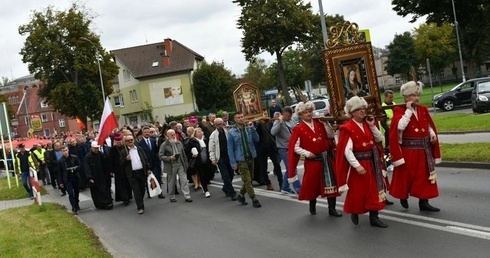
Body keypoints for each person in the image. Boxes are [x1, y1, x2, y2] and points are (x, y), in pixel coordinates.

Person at [336, 96, 388, 228]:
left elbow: (378, 139)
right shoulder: (347, 128)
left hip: (372, 162)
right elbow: (347, 151)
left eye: (364, 109)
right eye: (359, 109)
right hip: (360, 163)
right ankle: (355, 210)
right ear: (352, 112)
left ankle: (374, 217)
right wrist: (357, 166)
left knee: (374, 190)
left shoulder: (368, 123)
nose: (363, 111)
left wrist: (372, 126)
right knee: (358, 191)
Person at [389, 81, 441, 212]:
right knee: (406, 176)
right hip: (409, 151)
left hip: (424, 150)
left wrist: (432, 134)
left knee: (424, 177)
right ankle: (403, 196)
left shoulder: (422, 109)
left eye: (418, 95)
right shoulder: (399, 110)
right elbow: (399, 126)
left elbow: (427, 124)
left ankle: (424, 202)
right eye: (414, 95)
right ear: (406, 97)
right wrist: (408, 111)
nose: (417, 98)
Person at [287, 102, 342, 217]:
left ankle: (332, 209)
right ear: (300, 114)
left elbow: (330, 136)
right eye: (305, 112)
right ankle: (312, 204)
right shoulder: (298, 129)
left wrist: (326, 123)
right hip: (313, 161)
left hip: (326, 158)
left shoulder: (319, 123)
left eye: (310, 111)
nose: (308, 114)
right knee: (312, 185)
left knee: (330, 183)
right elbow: (295, 147)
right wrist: (307, 153)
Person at [227, 112, 262, 208]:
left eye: (242, 117)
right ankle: (254, 199)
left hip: (251, 156)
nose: (241, 119)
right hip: (240, 159)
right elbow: (230, 148)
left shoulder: (248, 129)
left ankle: (241, 195)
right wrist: (233, 163)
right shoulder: (231, 132)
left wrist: (252, 128)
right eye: (238, 117)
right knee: (247, 180)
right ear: (235, 119)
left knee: (249, 179)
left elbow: (257, 139)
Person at [271, 106, 301, 195]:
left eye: (290, 116)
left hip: (292, 147)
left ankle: (285, 187)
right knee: (291, 168)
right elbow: (273, 132)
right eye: (287, 116)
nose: (289, 118)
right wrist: (280, 122)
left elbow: (297, 130)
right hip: (283, 148)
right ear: (283, 114)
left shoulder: (292, 121)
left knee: (290, 168)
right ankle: (299, 188)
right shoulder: (277, 121)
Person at [120, 135, 152, 214]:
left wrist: (148, 169)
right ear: (125, 142)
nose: (130, 141)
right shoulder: (124, 152)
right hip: (132, 174)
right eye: (128, 140)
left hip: (141, 172)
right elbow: (121, 163)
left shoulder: (139, 149)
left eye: (131, 140)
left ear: (134, 140)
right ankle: (140, 207)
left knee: (142, 189)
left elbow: (145, 159)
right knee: (136, 190)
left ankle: (140, 200)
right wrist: (126, 159)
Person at [159, 129, 193, 203]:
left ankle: (187, 196)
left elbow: (183, 154)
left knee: (184, 180)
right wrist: (169, 158)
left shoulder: (179, 143)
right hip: (171, 165)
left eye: (174, 134)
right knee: (172, 182)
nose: (173, 136)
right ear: (167, 136)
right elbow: (160, 156)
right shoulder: (164, 144)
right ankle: (172, 196)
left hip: (180, 164)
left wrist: (186, 164)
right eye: (171, 134)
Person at [209, 118, 237, 201]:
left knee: (231, 174)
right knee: (225, 176)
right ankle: (232, 193)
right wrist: (213, 159)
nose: (221, 126)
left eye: (222, 124)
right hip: (220, 157)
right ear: (215, 125)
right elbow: (211, 148)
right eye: (218, 124)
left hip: (229, 156)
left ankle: (226, 187)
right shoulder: (213, 135)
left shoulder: (228, 132)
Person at [84, 141, 113, 210]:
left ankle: (107, 203)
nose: (96, 150)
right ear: (91, 148)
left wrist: (109, 172)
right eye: (95, 148)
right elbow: (86, 168)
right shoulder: (88, 157)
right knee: (96, 192)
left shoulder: (101, 155)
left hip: (102, 175)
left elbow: (106, 164)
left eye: (97, 148)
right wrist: (89, 177)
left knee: (105, 190)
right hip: (94, 177)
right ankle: (100, 204)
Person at [138, 126, 164, 199]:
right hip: (146, 163)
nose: (147, 133)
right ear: (142, 133)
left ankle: (160, 192)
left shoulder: (153, 140)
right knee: (148, 178)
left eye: (148, 132)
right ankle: (150, 192)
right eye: (145, 132)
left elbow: (156, 150)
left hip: (155, 162)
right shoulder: (140, 143)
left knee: (157, 177)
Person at [380, 90, 396, 205]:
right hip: (387, 132)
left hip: (395, 131)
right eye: (389, 97)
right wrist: (388, 131)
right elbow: (384, 122)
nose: (391, 99)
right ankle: (388, 163)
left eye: (392, 97)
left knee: (393, 149)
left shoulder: (394, 105)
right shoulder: (383, 107)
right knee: (387, 150)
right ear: (385, 97)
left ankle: (391, 161)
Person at [109, 133, 133, 206]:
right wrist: (111, 170)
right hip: (118, 169)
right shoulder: (113, 149)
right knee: (120, 184)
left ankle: (128, 196)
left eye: (120, 141)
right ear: (115, 142)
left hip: (125, 168)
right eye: (117, 142)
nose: (119, 143)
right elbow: (111, 160)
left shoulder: (125, 147)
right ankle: (124, 198)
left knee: (127, 183)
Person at [58, 146, 82, 214]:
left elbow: (80, 165)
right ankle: (74, 207)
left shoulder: (74, 157)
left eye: (66, 150)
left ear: (68, 150)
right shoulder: (60, 161)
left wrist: (75, 168)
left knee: (76, 192)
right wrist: (60, 182)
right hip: (67, 179)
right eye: (63, 151)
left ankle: (76, 203)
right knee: (70, 193)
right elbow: (59, 172)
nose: (65, 152)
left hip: (75, 177)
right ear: (61, 152)